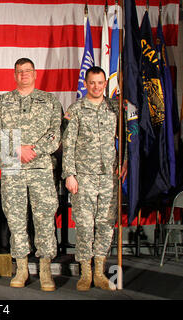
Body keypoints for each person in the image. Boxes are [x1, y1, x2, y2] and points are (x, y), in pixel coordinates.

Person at [0, 58, 62, 291]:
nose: (23, 75)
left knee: (44, 219)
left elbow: (55, 133)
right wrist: (17, 149)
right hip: (13, 169)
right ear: (14, 75)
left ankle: (45, 270)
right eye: (19, 72)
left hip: (41, 167)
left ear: (35, 73)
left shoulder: (50, 101)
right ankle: (21, 269)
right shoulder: (2, 101)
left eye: (27, 71)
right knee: (16, 220)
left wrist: (35, 150)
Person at [62, 66, 127, 291]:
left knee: (106, 225)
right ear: (86, 84)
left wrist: (126, 161)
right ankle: (85, 273)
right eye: (92, 83)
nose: (97, 87)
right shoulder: (77, 109)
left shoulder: (114, 109)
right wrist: (69, 174)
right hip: (84, 177)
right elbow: (68, 145)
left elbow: (127, 140)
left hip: (109, 176)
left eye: (101, 83)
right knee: (85, 226)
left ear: (105, 84)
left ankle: (99, 271)